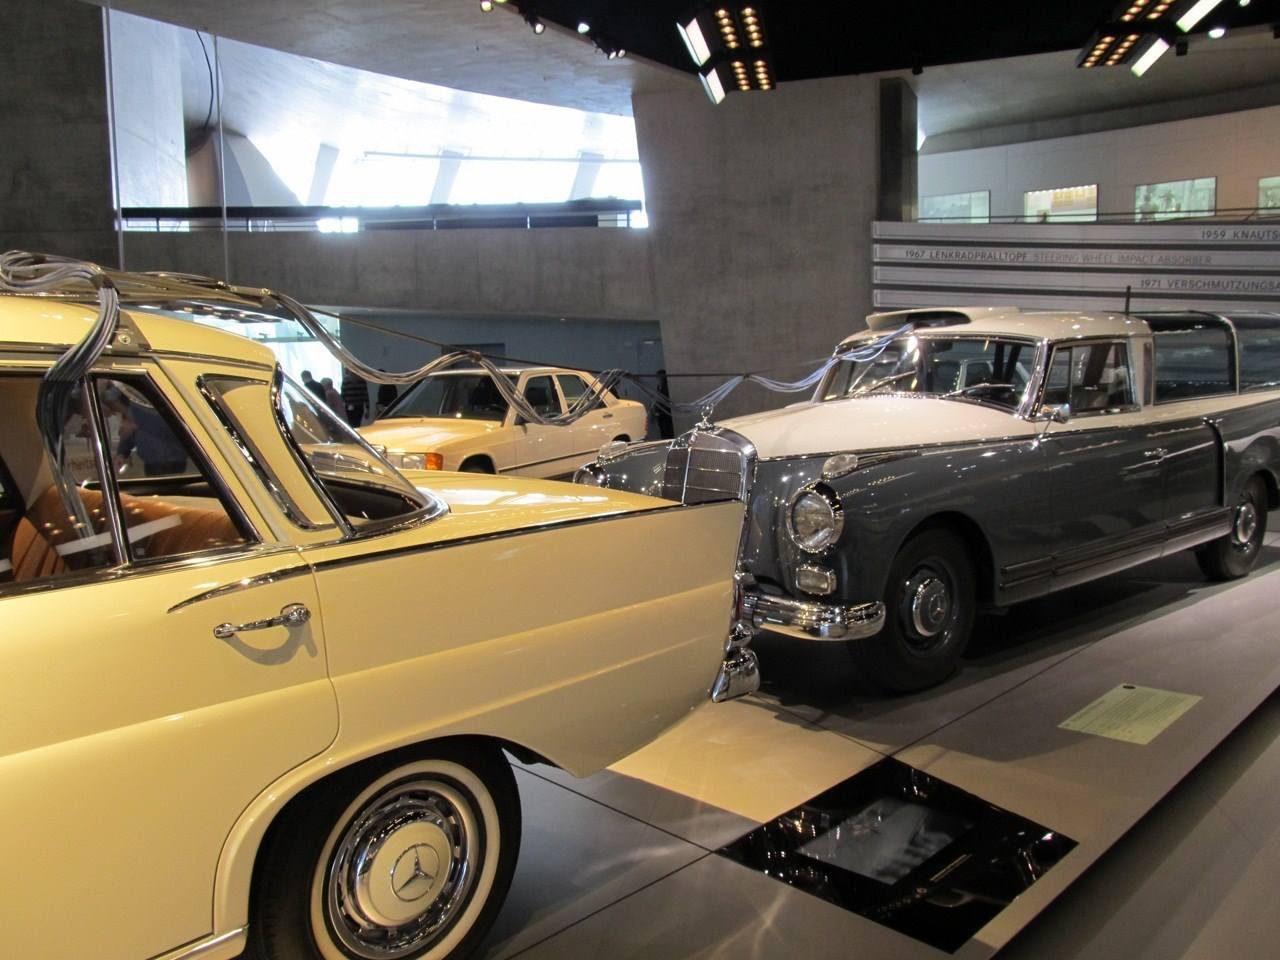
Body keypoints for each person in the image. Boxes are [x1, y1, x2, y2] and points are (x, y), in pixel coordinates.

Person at [654, 368, 675, 440]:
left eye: (660, 376)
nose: (658, 378)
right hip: (660, 410)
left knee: (667, 427)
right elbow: (657, 398)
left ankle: (669, 438)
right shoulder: (658, 386)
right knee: (662, 427)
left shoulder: (667, 386)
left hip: (666, 410)